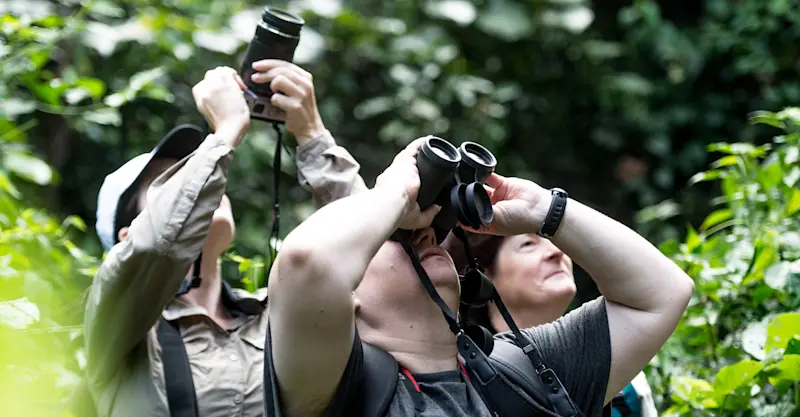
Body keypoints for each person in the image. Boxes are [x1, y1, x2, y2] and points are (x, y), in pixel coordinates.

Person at [264, 138, 694, 416]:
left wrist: (546, 212)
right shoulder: (334, 388)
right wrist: (392, 193)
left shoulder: (525, 370)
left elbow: (661, 292)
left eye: (427, 232)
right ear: (350, 299)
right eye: (395, 240)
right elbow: (307, 262)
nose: (424, 235)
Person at [84, 60, 366, 417]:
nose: (201, 177)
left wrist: (311, 134)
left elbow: (372, 262)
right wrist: (226, 131)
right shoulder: (121, 326)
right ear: (125, 235)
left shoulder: (274, 313)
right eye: (170, 180)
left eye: (200, 169)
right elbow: (154, 246)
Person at [443, 232, 659, 417]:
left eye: (556, 242)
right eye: (528, 244)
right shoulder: (465, 382)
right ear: (482, 275)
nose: (557, 252)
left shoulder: (619, 365)